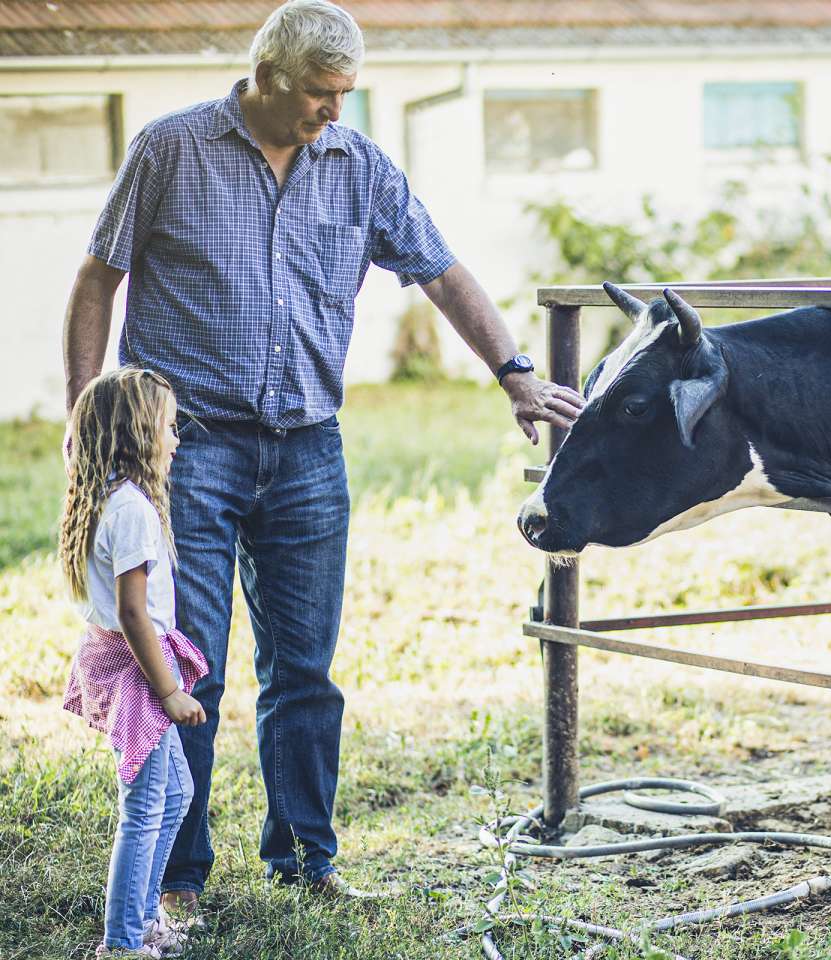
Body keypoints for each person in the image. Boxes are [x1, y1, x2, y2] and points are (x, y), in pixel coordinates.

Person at [61, 0, 583, 917]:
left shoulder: (359, 166)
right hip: (191, 453)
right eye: (318, 92)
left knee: (305, 672)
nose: (334, 110)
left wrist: (514, 370)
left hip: (307, 451)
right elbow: (98, 276)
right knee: (187, 667)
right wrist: (86, 425)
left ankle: (304, 857)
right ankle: (179, 879)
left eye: (346, 93)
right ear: (265, 75)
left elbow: (441, 270)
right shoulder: (171, 149)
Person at [60, 368, 209, 958]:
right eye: (170, 429)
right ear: (139, 434)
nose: (176, 440)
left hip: (132, 659)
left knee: (176, 792)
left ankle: (145, 920)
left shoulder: (111, 497)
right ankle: (122, 944)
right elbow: (133, 612)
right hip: (138, 668)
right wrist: (169, 688)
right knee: (145, 807)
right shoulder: (132, 510)